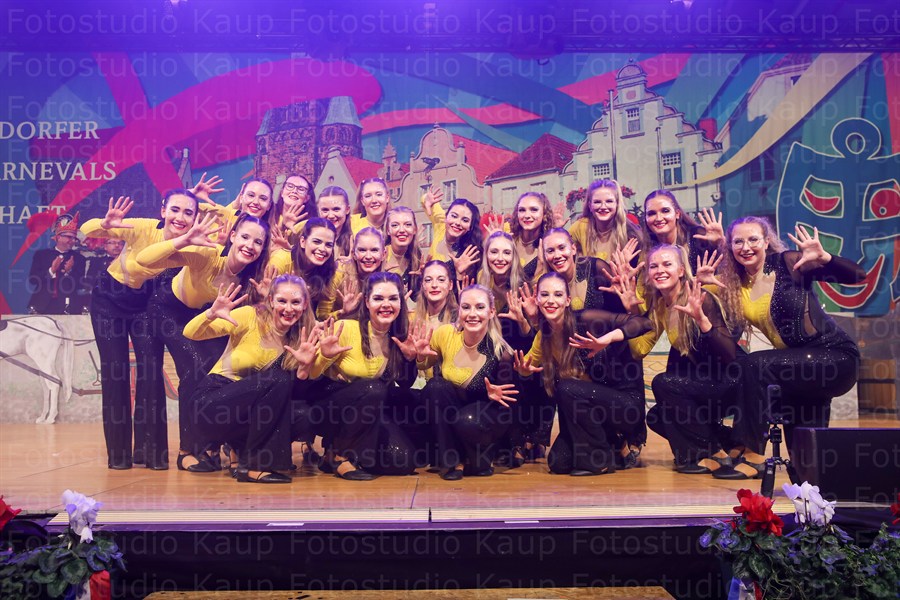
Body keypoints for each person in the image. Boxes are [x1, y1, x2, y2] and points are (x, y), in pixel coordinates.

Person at [711, 217, 865, 480]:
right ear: (730, 246)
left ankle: (753, 454)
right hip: (797, 366)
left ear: (766, 241)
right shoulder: (737, 284)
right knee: (804, 464)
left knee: (755, 364)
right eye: (738, 241)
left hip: (835, 357)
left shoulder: (788, 263)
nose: (745, 247)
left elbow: (858, 276)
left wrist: (826, 258)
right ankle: (813, 496)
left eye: (753, 239)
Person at [135, 212, 271, 471]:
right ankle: (187, 450)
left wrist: (263, 300)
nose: (249, 245)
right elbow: (143, 259)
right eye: (244, 237)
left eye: (257, 242)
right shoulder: (208, 255)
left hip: (206, 317)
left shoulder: (253, 276)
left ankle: (216, 444)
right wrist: (183, 240)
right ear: (233, 236)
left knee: (223, 372)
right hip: (169, 312)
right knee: (195, 369)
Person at [80, 192, 199, 469]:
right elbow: (87, 229)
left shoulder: (192, 246)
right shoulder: (144, 227)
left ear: (195, 218)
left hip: (146, 304)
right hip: (108, 300)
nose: (180, 217)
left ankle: (150, 453)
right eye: (175, 210)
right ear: (163, 211)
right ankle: (119, 455)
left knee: (151, 372)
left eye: (188, 212)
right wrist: (105, 224)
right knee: (116, 372)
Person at [513, 272, 651, 475]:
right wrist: (524, 372)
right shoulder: (544, 337)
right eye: (545, 295)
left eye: (558, 295)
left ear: (567, 300)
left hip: (623, 406)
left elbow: (644, 324)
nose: (551, 300)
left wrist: (607, 339)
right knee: (558, 462)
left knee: (567, 387)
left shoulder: (586, 320)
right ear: (537, 300)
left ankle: (600, 461)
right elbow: (527, 368)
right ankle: (612, 443)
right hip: (590, 412)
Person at [183, 276, 318, 483]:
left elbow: (288, 394)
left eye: (295, 302)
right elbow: (190, 333)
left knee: (304, 415)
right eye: (282, 301)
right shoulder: (250, 316)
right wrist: (211, 313)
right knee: (279, 378)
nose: (288, 308)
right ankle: (257, 466)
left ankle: (247, 457)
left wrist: (304, 368)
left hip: (245, 416)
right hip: (212, 404)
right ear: (271, 300)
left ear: (305, 304)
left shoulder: (301, 338)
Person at [630, 245, 742, 475]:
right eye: (654, 266)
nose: (660, 270)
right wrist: (630, 313)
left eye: (667, 264)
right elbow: (640, 349)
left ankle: (704, 454)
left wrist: (703, 322)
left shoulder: (700, 298)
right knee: (657, 417)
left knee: (663, 383)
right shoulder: (660, 305)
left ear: (681, 270)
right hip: (703, 384)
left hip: (730, 382)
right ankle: (726, 444)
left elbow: (729, 354)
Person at [306, 272, 420, 480]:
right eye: (378, 298)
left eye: (393, 298)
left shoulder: (399, 335)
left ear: (400, 303)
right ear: (367, 302)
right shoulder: (345, 328)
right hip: (330, 408)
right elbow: (311, 376)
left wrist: (410, 359)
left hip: (368, 413)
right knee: (373, 388)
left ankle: (335, 455)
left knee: (404, 462)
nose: (386, 305)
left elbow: (404, 384)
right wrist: (324, 356)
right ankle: (340, 456)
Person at [415, 285, 518, 480]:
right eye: (466, 307)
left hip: (479, 418)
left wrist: (490, 396)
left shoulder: (501, 352)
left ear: (491, 312)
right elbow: (425, 363)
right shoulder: (445, 334)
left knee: (468, 421)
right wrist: (420, 356)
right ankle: (451, 461)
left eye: (480, 307)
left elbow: (507, 407)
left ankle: (479, 457)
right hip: (452, 411)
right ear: (459, 311)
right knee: (435, 387)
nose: (472, 314)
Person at [269, 218, 339, 318]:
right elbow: (267, 304)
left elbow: (322, 315)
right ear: (303, 242)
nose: (322, 249)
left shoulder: (329, 270)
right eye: (317, 242)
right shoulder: (281, 260)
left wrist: (343, 312)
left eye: (328, 245)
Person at [641, 189, 724, 271]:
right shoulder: (644, 247)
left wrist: (720, 243)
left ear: (677, 214)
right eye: (651, 213)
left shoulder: (698, 237)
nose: (659, 218)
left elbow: (726, 269)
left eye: (665, 211)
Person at [28, 213, 87, 315]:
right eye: (69, 237)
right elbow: (33, 280)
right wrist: (51, 271)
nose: (72, 241)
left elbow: (80, 285)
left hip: (69, 306)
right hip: (42, 305)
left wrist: (69, 271)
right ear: (58, 237)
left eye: (74, 238)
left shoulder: (79, 259)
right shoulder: (42, 255)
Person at [568, 179, 641, 260]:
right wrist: (557, 229)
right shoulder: (580, 226)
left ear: (617, 204)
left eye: (609, 201)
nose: (603, 207)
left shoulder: (631, 232)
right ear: (589, 205)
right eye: (597, 202)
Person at [421, 189, 483, 283]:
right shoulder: (441, 224)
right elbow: (425, 198)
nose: (457, 222)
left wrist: (459, 274)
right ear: (446, 217)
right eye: (454, 216)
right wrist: (426, 198)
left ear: (470, 227)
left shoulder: (471, 252)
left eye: (465, 220)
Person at [384, 206, 424, 301]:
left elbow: (415, 298)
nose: (402, 230)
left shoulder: (416, 256)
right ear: (388, 230)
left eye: (408, 225)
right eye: (395, 225)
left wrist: (423, 279)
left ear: (415, 229)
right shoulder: (380, 254)